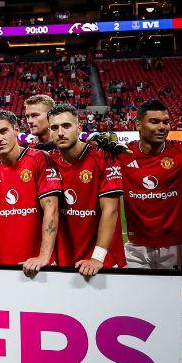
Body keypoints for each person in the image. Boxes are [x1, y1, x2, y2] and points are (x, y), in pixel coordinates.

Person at [117, 99, 182, 294]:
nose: (162, 127)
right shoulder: (123, 154)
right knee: (136, 307)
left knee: (175, 312)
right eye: (155, 122)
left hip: (176, 248)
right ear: (138, 125)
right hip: (136, 249)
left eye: (165, 122)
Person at [0, 110, 62, 277]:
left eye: (3, 131)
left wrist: (43, 256)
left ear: (16, 130)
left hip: (40, 264)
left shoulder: (39, 159)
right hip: (1, 264)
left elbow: (51, 210)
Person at [47, 104, 126, 275]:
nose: (60, 132)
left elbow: (110, 211)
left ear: (79, 127)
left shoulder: (104, 157)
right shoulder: (48, 160)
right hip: (63, 259)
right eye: (54, 127)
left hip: (102, 260)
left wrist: (97, 257)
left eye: (66, 126)